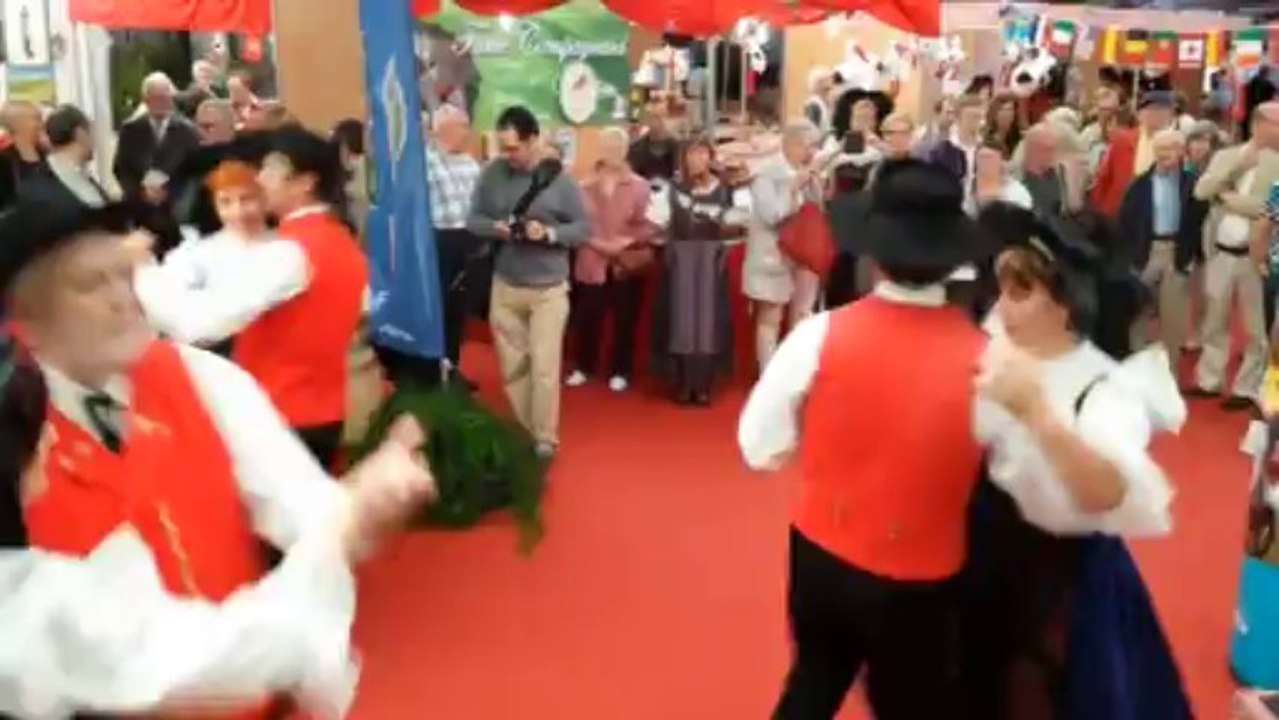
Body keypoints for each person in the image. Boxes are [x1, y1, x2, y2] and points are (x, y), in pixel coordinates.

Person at [0, 195, 433, 718]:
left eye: (124, 274)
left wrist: (358, 513)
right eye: (91, 284)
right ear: (24, 321)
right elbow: (134, 661)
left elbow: (301, 501)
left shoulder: (198, 375)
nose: (125, 298)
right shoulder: (16, 435)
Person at [737, 159, 1048, 719]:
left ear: (873, 254)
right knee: (913, 702)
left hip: (822, 554)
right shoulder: (992, 364)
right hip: (924, 574)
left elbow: (760, 446)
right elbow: (1021, 477)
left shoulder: (820, 334)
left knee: (814, 678)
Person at [961, 202, 1191, 720]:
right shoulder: (1001, 350)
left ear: (1066, 303)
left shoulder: (1105, 387)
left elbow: (1106, 492)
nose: (1001, 306)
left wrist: (1038, 414)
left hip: (1059, 584)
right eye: (1002, 289)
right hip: (986, 561)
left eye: (1021, 292)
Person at [133, 125, 368, 468]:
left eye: (273, 169)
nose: (261, 178)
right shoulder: (338, 241)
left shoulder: (289, 252)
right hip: (321, 411)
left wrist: (142, 270)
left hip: (278, 416)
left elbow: (197, 324)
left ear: (306, 182)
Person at [466, 105, 589, 460]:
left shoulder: (562, 182)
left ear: (533, 140)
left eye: (513, 148)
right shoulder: (492, 175)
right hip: (505, 285)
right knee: (512, 367)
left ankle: (545, 439)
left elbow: (582, 229)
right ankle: (527, 429)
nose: (508, 155)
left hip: (548, 289)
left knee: (545, 367)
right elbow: (473, 219)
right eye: (502, 148)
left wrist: (548, 232)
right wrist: (496, 228)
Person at [136, 159, 276, 358]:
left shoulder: (286, 244)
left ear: (264, 200)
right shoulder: (200, 253)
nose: (237, 211)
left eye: (247, 199)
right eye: (225, 202)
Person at [1191, 102, 1279, 411]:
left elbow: (1266, 208)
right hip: (1220, 253)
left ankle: (1246, 387)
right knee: (1214, 319)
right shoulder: (1227, 156)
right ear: (1259, 124)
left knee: (1255, 327)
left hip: (1257, 257)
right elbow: (1202, 191)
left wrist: (1226, 197)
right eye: (1276, 124)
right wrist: (1238, 170)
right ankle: (1209, 380)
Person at [649, 137, 746, 406]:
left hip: (711, 260)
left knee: (707, 323)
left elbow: (739, 224)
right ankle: (683, 383)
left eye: (702, 153)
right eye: (691, 153)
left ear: (710, 157)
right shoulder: (672, 189)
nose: (696, 159)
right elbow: (657, 224)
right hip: (681, 260)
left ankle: (703, 385)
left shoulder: (725, 189)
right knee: (682, 322)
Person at [566, 126, 655, 393]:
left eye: (618, 146)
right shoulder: (582, 185)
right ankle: (584, 366)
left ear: (626, 149)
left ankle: (620, 370)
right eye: (608, 146)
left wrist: (624, 243)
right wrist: (598, 244)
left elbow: (650, 226)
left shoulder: (640, 186)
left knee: (624, 319)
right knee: (587, 316)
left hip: (624, 263)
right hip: (590, 259)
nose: (612, 151)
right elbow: (576, 224)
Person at [1117, 129, 1209, 373]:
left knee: (1174, 321)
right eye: (1159, 149)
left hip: (1176, 253)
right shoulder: (1138, 185)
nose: (1163, 155)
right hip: (1144, 253)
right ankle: (1136, 372)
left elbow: (1201, 220)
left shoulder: (1194, 183)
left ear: (1181, 152)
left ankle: (1170, 376)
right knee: (1137, 315)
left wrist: (1191, 256)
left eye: (1169, 149)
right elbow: (1124, 223)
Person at [745, 121, 822, 374]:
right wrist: (792, 188)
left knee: (803, 315)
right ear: (791, 144)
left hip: (805, 255)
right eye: (809, 146)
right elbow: (771, 215)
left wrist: (816, 185)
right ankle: (768, 375)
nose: (812, 152)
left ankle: (797, 373)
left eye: (814, 147)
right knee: (771, 316)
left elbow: (818, 212)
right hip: (773, 255)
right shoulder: (766, 174)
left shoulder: (808, 172)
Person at [423, 105, 482, 388]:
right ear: (444, 129)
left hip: (468, 240)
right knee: (438, 308)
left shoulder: (471, 163)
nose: (466, 132)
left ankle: (452, 366)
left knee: (459, 310)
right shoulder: (424, 161)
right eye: (463, 126)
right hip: (438, 241)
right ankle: (433, 371)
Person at [113, 72, 201, 257]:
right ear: (145, 100)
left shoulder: (188, 132)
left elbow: (194, 171)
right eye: (154, 97)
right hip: (141, 217)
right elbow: (121, 169)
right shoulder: (130, 131)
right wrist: (140, 193)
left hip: (176, 217)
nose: (160, 102)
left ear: (171, 98)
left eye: (164, 97)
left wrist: (170, 193)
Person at [1091, 90, 1175, 219]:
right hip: (1119, 211)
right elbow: (1104, 175)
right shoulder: (1122, 139)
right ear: (1140, 114)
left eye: (1160, 111)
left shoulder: (1176, 144)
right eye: (1150, 110)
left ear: (1170, 115)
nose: (1154, 115)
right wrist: (1098, 209)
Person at [21, 105, 111, 209]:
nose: (94, 140)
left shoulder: (78, 174)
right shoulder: (46, 184)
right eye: (90, 132)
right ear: (80, 133)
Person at [0, 100, 46, 210]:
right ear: (18, 123)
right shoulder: (3, 162)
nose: (41, 124)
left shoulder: (49, 156)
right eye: (36, 118)